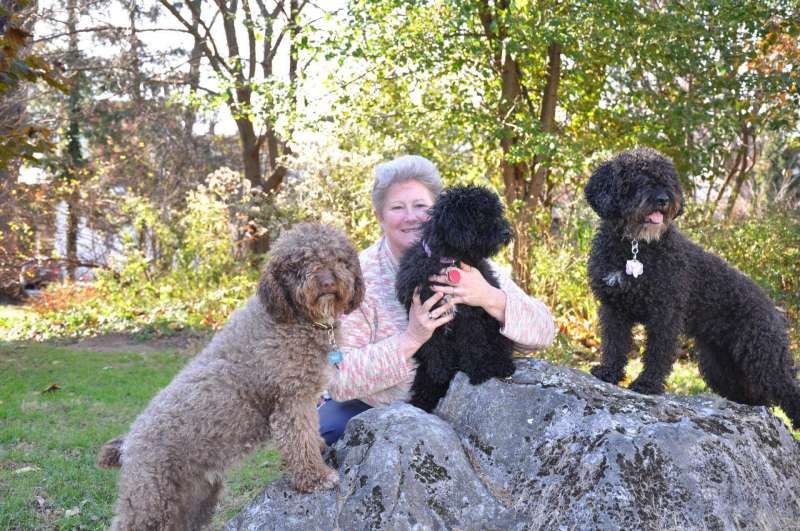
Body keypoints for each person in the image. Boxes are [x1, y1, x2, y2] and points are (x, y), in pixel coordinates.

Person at [318, 155, 556, 445]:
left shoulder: (472, 262)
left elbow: (544, 332)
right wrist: (411, 339)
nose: (412, 217)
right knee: (326, 430)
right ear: (379, 216)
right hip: (379, 405)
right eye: (397, 207)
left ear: (440, 211)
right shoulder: (354, 278)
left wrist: (490, 297)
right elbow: (337, 376)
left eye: (421, 206)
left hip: (465, 394)